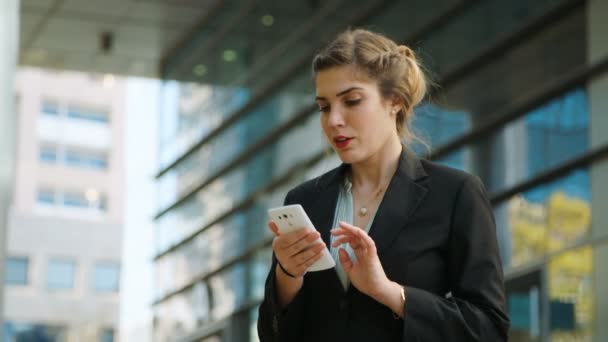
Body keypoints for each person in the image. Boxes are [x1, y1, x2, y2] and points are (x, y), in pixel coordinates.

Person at [257, 28, 510, 341]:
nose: (333, 119)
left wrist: (390, 293)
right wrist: (287, 275)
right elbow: (272, 334)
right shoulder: (306, 200)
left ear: (396, 101)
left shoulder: (456, 194)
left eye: (351, 101)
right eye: (324, 107)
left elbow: (488, 329)